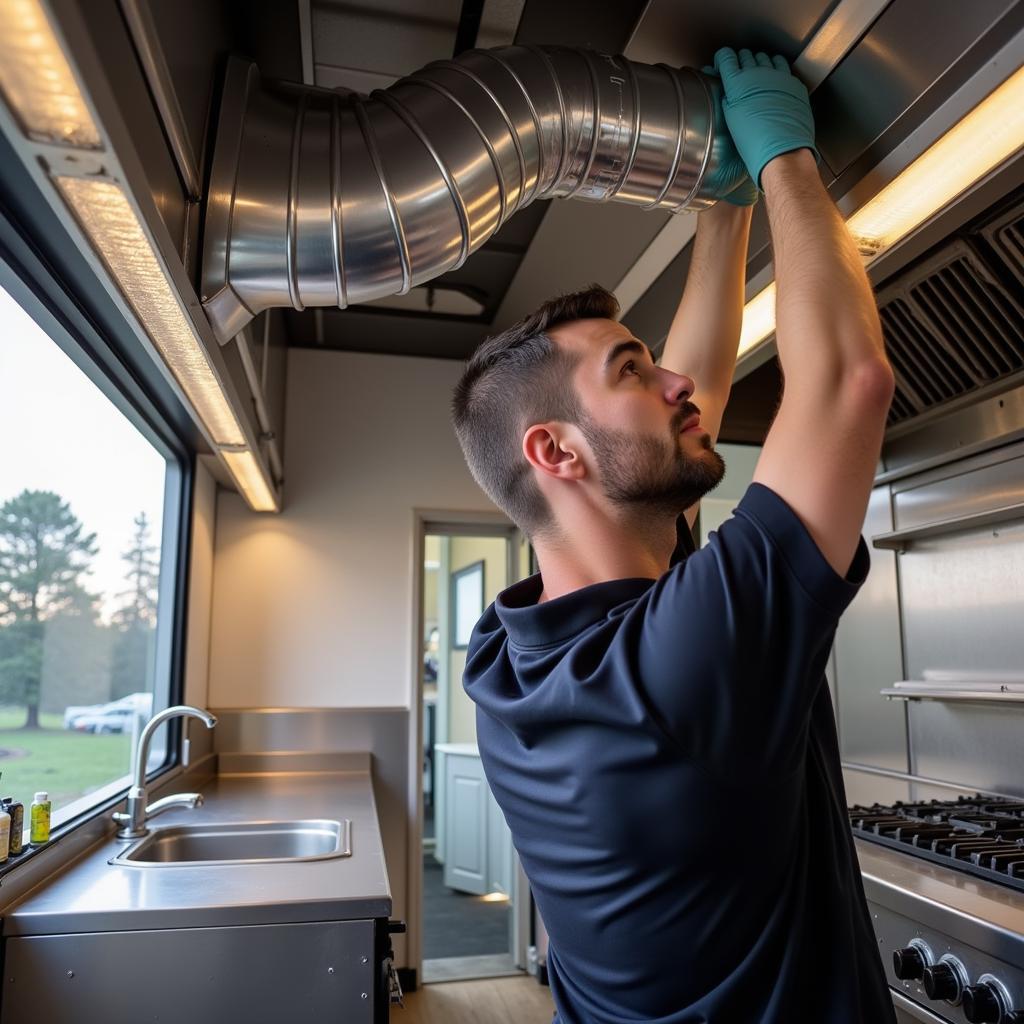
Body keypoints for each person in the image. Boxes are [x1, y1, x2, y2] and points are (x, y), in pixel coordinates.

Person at [451, 47, 896, 1024]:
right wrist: (782, 155)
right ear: (557, 453)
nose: (677, 386)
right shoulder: (671, 666)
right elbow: (846, 382)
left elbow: (683, 403)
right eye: (629, 370)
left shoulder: (513, 661)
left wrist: (719, 205)